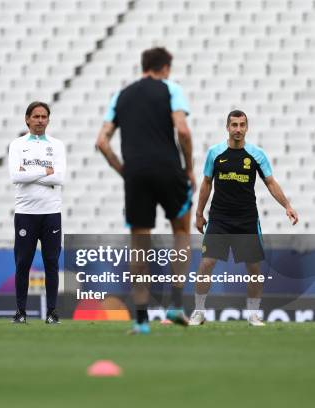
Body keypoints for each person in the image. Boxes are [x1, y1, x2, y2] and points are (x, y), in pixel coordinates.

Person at [95, 47, 195, 334]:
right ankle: (175, 303)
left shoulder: (121, 95)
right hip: (167, 168)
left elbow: (102, 141)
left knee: (139, 243)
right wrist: (188, 168)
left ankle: (140, 320)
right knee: (181, 232)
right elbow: (184, 131)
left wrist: (124, 171)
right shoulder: (170, 89)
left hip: (136, 173)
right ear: (164, 67)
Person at [189, 110, 298, 326]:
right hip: (219, 218)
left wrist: (287, 205)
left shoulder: (256, 154)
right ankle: (199, 311)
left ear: (247, 128)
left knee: (254, 269)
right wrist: (200, 213)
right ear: (227, 127)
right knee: (206, 264)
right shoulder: (215, 153)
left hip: (247, 219)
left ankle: (253, 314)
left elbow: (270, 182)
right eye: (234, 125)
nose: (238, 129)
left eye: (242, 125)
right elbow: (206, 183)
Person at [8, 102, 66, 324]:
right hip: (25, 212)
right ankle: (21, 312)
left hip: (51, 211)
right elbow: (15, 176)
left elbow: (59, 177)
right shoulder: (17, 145)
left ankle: (51, 312)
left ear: (48, 120)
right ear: (27, 119)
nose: (40, 120)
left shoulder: (57, 145)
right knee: (23, 263)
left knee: (51, 262)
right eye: (36, 116)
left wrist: (30, 172)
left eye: (44, 117)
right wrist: (45, 171)